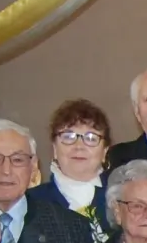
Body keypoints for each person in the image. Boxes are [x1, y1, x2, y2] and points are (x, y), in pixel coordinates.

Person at [29, 99, 113, 234]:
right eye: (68, 137)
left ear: (104, 152)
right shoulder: (31, 202)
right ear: (55, 149)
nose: (79, 146)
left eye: (91, 138)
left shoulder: (123, 198)